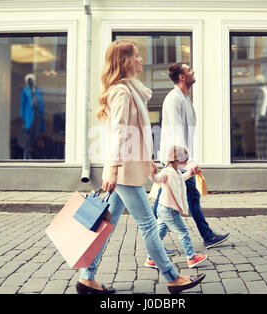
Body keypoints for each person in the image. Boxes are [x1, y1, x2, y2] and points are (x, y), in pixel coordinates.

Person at [75, 40, 205, 295]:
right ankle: (172, 277)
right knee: (148, 223)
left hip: (128, 169)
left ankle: (86, 277)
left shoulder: (131, 90)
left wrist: (150, 163)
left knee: (106, 224)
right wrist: (112, 170)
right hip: (123, 172)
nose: (141, 60)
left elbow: (136, 135)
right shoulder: (122, 92)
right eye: (136, 56)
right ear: (125, 61)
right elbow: (120, 134)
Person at [156, 62, 230, 249]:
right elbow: (177, 129)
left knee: (178, 198)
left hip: (180, 159)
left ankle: (205, 236)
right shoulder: (174, 99)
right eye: (189, 70)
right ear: (182, 77)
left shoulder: (185, 98)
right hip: (175, 160)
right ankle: (155, 244)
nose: (193, 71)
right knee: (166, 202)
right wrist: (187, 160)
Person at [145, 146, 208, 270]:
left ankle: (151, 259)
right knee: (183, 232)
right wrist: (152, 172)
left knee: (159, 234)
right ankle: (191, 258)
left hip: (164, 209)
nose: (184, 163)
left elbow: (179, 180)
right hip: (169, 209)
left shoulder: (176, 171)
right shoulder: (167, 171)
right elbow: (156, 179)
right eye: (183, 161)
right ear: (178, 161)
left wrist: (191, 173)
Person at [19, 73, 46, 159]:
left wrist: (43, 113)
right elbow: (22, 104)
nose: (31, 82)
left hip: (38, 114)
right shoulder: (25, 91)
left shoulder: (38, 90)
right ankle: (26, 154)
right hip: (29, 115)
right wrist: (22, 116)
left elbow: (42, 103)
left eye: (32, 80)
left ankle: (33, 154)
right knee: (28, 134)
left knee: (36, 133)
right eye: (29, 80)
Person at [252, 74, 267, 159]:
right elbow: (254, 105)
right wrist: (253, 116)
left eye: (259, 80)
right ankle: (261, 154)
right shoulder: (257, 91)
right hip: (260, 115)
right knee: (260, 136)